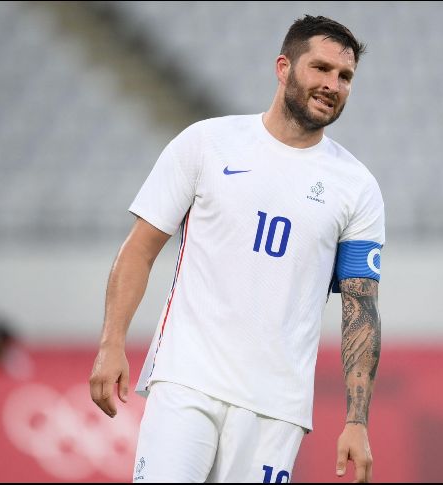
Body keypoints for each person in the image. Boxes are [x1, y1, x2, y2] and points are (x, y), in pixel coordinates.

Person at [89, 15, 383, 483]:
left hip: (276, 409)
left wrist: (357, 420)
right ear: (283, 68)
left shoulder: (357, 188)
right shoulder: (207, 143)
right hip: (187, 381)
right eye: (321, 68)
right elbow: (140, 249)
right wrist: (111, 343)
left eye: (345, 76)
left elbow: (360, 308)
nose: (333, 85)